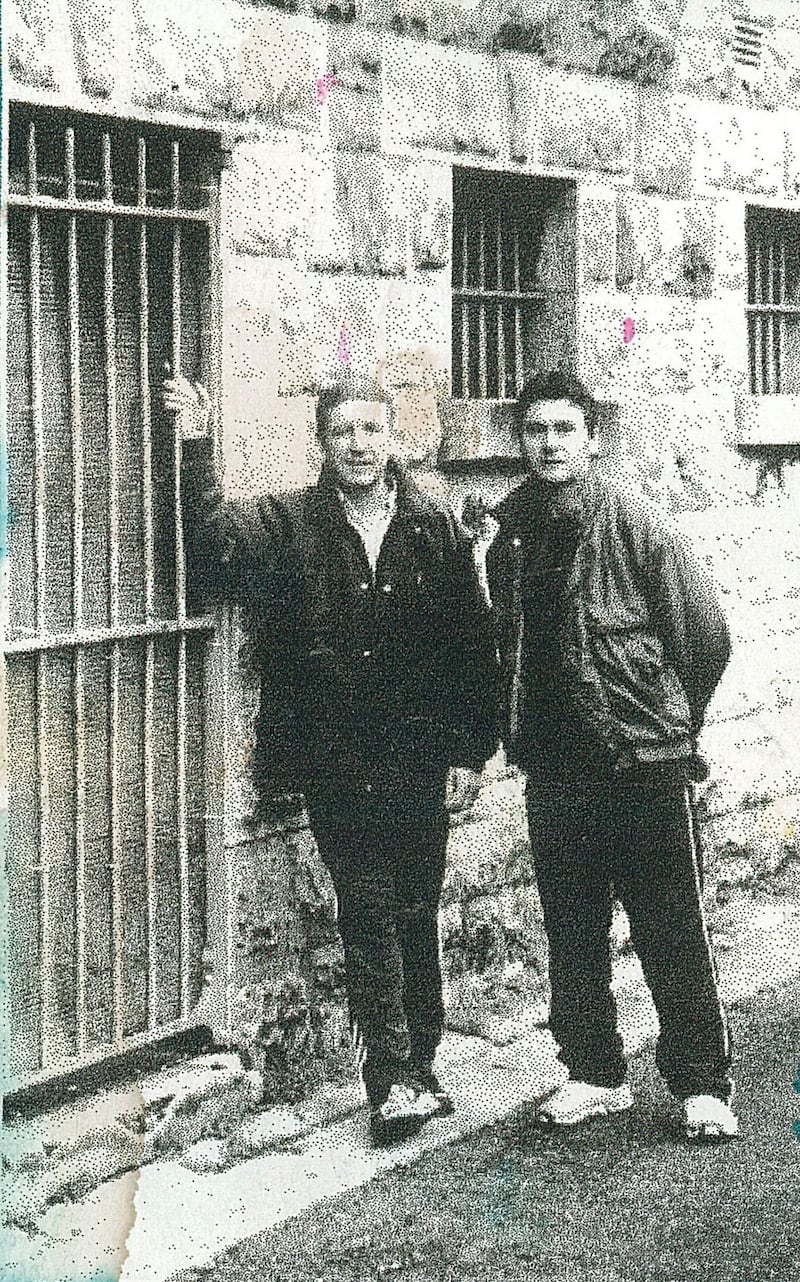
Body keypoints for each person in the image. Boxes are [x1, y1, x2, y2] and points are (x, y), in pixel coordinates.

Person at [165, 372, 499, 1145]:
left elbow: (470, 647)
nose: (358, 445)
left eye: (371, 430)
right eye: (343, 431)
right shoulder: (290, 523)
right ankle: (391, 1082)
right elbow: (212, 545)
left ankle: (421, 1064)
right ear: (323, 438)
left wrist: (468, 750)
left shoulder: (432, 526)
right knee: (370, 905)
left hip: (420, 756)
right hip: (337, 760)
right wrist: (195, 446)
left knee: (416, 909)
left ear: (392, 438)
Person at [485, 370, 737, 1142]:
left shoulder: (636, 523)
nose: (551, 444)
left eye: (565, 429)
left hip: (642, 763)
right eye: (537, 431)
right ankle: (595, 1072)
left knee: (669, 924)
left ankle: (702, 1086)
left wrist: (669, 721)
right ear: (519, 440)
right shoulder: (511, 528)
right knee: (573, 925)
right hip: (558, 766)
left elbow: (705, 635)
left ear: (591, 438)